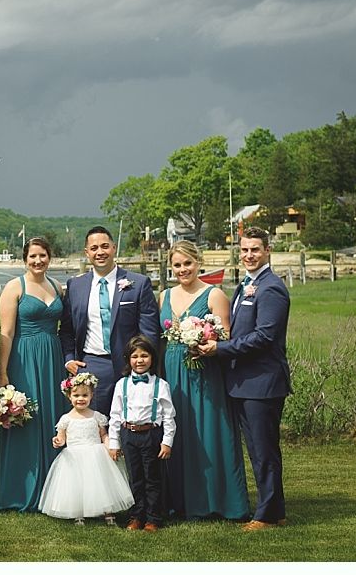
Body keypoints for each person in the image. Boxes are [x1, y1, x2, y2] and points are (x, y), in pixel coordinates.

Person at [197, 227, 292, 531]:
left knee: (264, 450)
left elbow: (264, 336)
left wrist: (220, 349)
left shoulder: (271, 287)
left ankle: (266, 515)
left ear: (268, 251)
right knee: (256, 448)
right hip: (244, 381)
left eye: (255, 250)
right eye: (244, 250)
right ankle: (274, 509)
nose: (249, 255)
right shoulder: (244, 286)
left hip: (262, 381)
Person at [159, 240, 249, 520]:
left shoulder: (214, 295)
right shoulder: (163, 296)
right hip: (172, 370)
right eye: (177, 265)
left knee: (207, 431)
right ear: (170, 267)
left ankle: (216, 500)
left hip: (203, 371)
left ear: (198, 263)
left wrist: (203, 341)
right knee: (178, 432)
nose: (182, 269)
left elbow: (225, 338)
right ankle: (180, 501)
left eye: (187, 263)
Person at [0, 237, 66, 512]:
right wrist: (3, 371)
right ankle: (21, 489)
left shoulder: (57, 286)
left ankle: (54, 487)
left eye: (43, 255)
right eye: (33, 256)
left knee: (52, 417)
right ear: (25, 259)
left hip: (53, 358)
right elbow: (6, 332)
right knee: (28, 419)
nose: (38, 261)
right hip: (24, 359)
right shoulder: (15, 287)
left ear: (50, 257)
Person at [59, 226, 160, 416]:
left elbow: (149, 332)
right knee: (96, 427)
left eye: (105, 246)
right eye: (94, 248)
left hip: (130, 364)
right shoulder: (75, 286)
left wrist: (142, 364)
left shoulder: (138, 283)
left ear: (114, 248)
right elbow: (66, 330)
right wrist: (69, 360)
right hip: (92, 364)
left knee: (133, 423)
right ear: (87, 252)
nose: (100, 252)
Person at [37, 372, 133, 525]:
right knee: (77, 484)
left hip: (96, 453)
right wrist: (58, 441)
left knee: (102, 483)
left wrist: (110, 447)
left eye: (84, 395)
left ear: (91, 395)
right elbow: (61, 437)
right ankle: (78, 512)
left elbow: (103, 435)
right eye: (76, 395)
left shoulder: (97, 416)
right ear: (69, 397)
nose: (80, 399)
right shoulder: (66, 418)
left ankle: (108, 511)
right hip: (74, 456)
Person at [108, 335, 176, 532]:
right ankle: (136, 516)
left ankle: (153, 518)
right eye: (135, 356)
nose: (140, 360)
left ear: (152, 358)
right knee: (135, 478)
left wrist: (167, 442)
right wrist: (114, 442)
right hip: (129, 435)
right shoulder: (122, 384)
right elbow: (115, 414)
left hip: (151, 435)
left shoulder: (161, 385)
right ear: (128, 360)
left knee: (152, 478)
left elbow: (169, 416)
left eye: (144, 356)